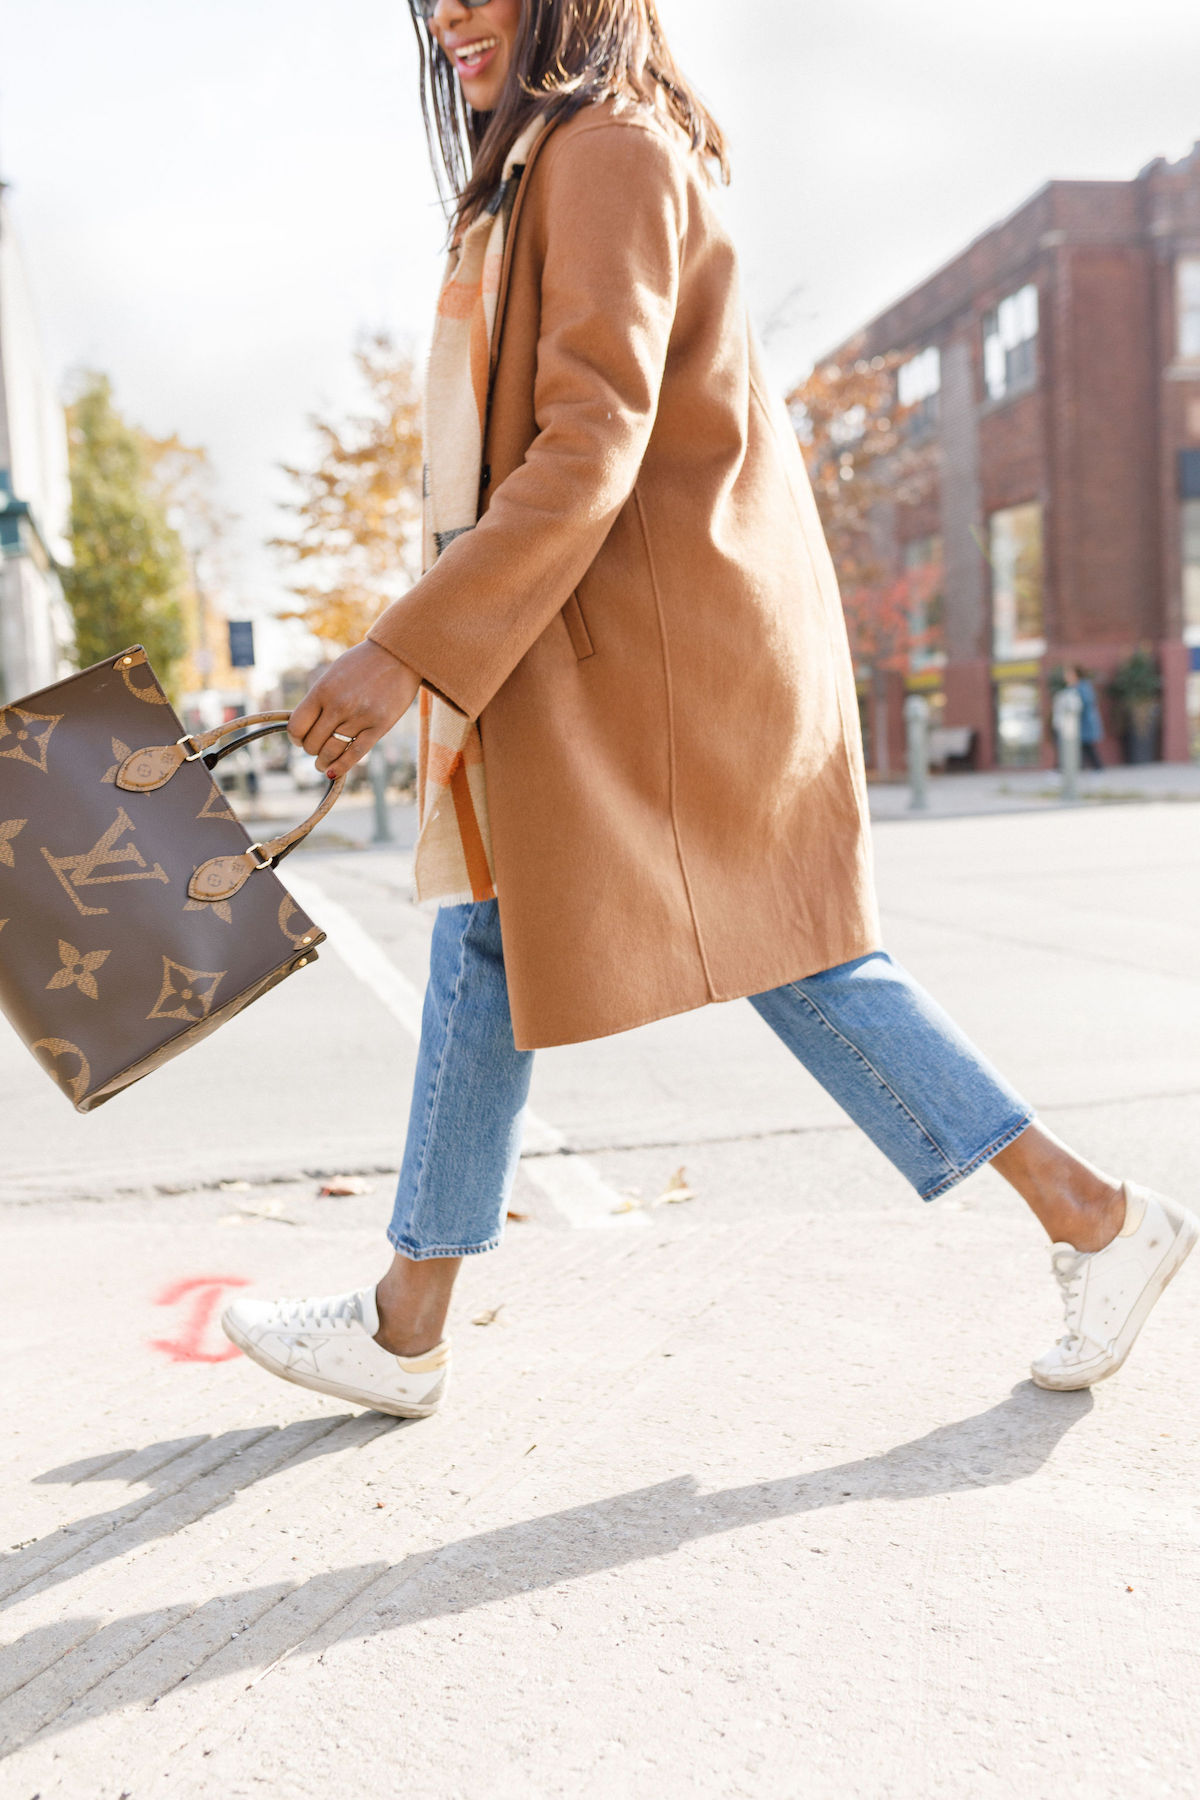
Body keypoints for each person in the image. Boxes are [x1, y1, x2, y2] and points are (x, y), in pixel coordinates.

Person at [222, 0, 1194, 1413]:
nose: (446, 16)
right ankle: (408, 1319)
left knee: (781, 955)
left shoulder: (603, 146)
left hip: (662, 665)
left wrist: (406, 650)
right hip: (626, 653)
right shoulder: (567, 149)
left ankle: (1097, 1215)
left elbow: (591, 439)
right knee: (502, 938)